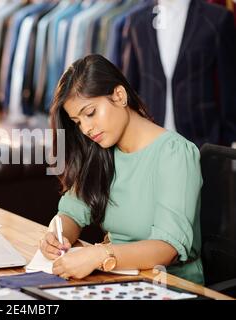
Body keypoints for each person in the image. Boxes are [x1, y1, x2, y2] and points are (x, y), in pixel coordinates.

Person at [40, 55, 204, 284]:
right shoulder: (100, 151)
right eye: (78, 122)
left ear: (119, 96)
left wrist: (100, 256)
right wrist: (56, 237)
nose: (86, 128)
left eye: (90, 113)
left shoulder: (175, 153)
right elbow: (71, 213)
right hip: (113, 279)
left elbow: (168, 248)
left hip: (171, 285)